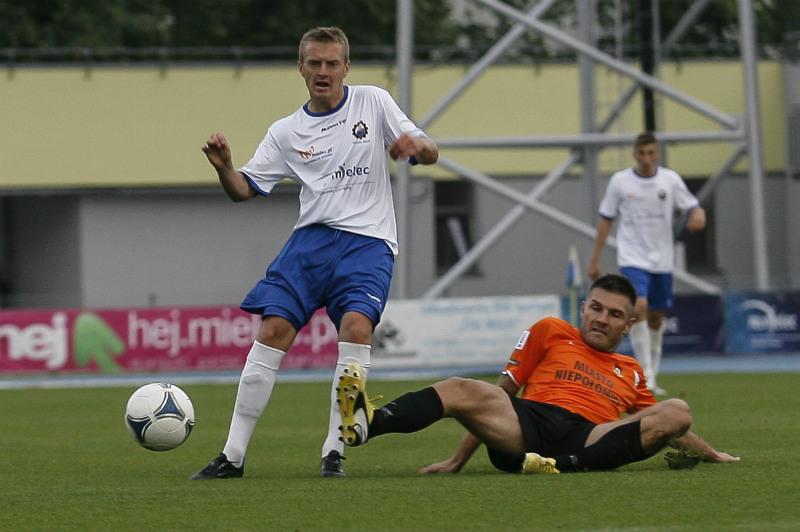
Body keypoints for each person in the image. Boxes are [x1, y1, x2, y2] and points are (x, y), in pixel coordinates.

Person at [191, 26, 438, 480]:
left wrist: (415, 147)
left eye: (332, 63)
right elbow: (244, 190)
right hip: (310, 243)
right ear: (301, 68)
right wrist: (225, 168)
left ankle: (334, 451)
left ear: (346, 67)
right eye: (315, 63)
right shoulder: (286, 131)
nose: (323, 71)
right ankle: (232, 456)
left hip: (367, 242)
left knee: (357, 327)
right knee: (273, 331)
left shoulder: (373, 101)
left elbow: (430, 150)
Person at [335, 274, 739, 474]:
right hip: (527, 424)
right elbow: (499, 395)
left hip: (589, 435)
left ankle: (560, 463)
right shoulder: (550, 330)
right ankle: (370, 423)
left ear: (629, 324)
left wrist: (711, 453)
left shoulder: (631, 371)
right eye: (596, 308)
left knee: (677, 410)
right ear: (583, 308)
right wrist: (458, 459)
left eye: (615, 314)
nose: (602, 319)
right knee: (462, 387)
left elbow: (663, 422)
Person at [586, 132, 706, 395]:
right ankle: (646, 375)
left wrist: (698, 215)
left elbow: (692, 205)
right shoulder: (620, 181)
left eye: (651, 153)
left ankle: (654, 372)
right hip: (632, 256)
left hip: (662, 259)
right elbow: (606, 219)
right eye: (641, 153)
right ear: (635, 154)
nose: (646, 158)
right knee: (639, 305)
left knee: (656, 317)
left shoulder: (670, 180)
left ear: (657, 154)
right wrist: (594, 259)